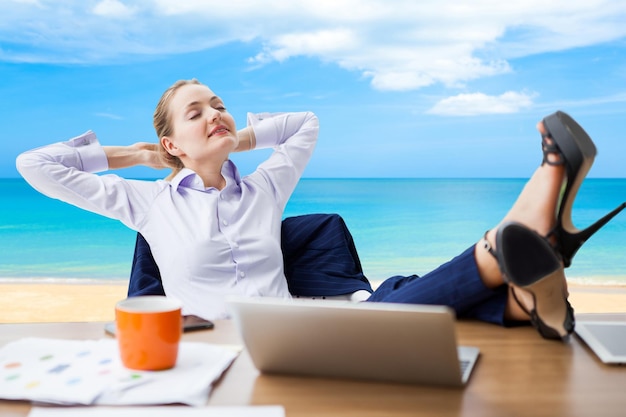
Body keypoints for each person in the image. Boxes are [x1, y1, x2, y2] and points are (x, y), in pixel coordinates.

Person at [16, 79, 625, 341]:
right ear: (173, 141)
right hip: (219, 346)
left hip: (296, 327)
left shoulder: (264, 187)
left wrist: (240, 137)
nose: (215, 114)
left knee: (384, 316)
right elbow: (35, 167)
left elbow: (305, 124)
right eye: (196, 113)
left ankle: (521, 278)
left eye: (219, 104)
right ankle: (523, 274)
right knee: (397, 315)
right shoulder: (145, 203)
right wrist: (139, 155)